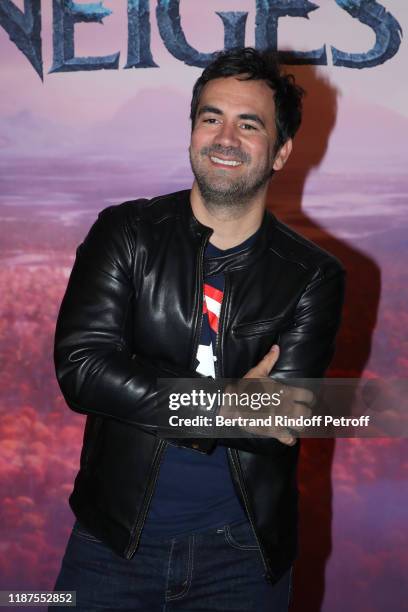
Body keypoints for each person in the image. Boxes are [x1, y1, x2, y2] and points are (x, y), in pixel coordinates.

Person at [52, 47, 345, 611]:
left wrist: (149, 383)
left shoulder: (312, 275)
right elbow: (83, 369)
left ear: (281, 151)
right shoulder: (127, 233)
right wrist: (224, 406)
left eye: (249, 124)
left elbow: (281, 418)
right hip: (111, 544)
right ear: (191, 131)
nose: (225, 138)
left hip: (242, 556)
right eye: (211, 118)